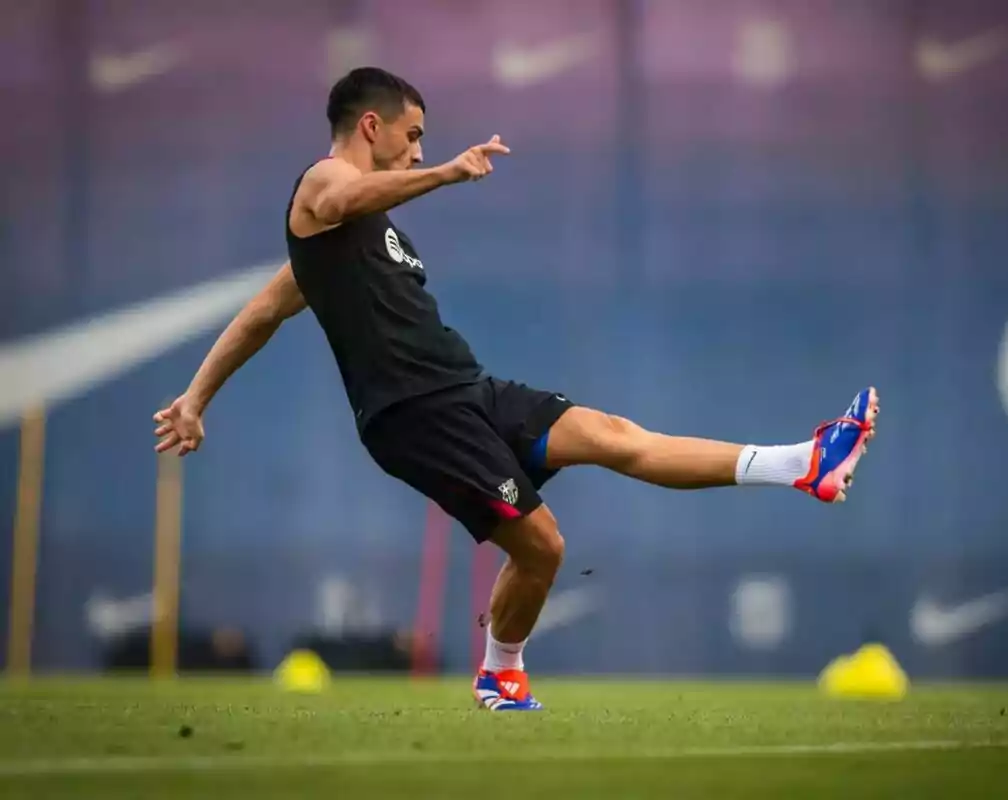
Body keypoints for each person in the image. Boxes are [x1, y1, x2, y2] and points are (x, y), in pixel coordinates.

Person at [152, 67, 879, 711]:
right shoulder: (321, 189)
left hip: (467, 387)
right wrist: (446, 174)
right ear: (370, 125)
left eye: (424, 143)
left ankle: (802, 464)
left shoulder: (356, 233)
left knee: (613, 436)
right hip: (413, 415)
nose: (418, 150)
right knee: (543, 547)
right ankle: (501, 676)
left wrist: (194, 399)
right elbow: (318, 235)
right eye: (412, 136)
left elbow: (258, 316)